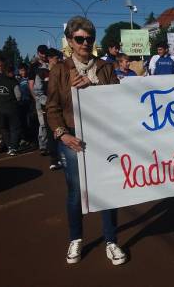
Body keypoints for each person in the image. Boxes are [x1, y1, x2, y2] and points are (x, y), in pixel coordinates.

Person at [46, 16, 126, 266]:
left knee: (107, 189)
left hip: (102, 135)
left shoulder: (105, 67)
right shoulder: (59, 70)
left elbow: (118, 99)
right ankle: (76, 238)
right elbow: (52, 108)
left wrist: (93, 86)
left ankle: (111, 240)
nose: (84, 43)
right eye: (79, 39)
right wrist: (63, 134)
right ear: (70, 41)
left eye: (89, 38)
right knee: (75, 192)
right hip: (72, 136)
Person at [34, 48, 62, 170]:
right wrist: (49, 103)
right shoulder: (41, 72)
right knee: (51, 134)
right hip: (48, 109)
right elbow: (38, 92)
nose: (59, 60)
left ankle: (63, 158)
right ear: (50, 58)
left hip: (62, 108)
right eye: (57, 58)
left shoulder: (61, 69)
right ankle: (54, 160)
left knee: (62, 132)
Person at [0, 60, 21, 156]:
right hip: (12, 108)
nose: (13, 73)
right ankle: (13, 148)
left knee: (4, 128)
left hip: (0, 109)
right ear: (9, 72)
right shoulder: (14, 82)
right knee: (14, 128)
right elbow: (18, 96)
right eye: (12, 71)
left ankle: (9, 146)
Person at [29, 45, 50, 155]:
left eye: (45, 52)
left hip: (51, 98)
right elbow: (31, 84)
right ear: (38, 53)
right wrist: (37, 99)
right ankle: (43, 145)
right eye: (42, 52)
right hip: (40, 99)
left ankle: (52, 145)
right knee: (43, 124)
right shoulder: (34, 66)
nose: (44, 54)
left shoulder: (50, 63)